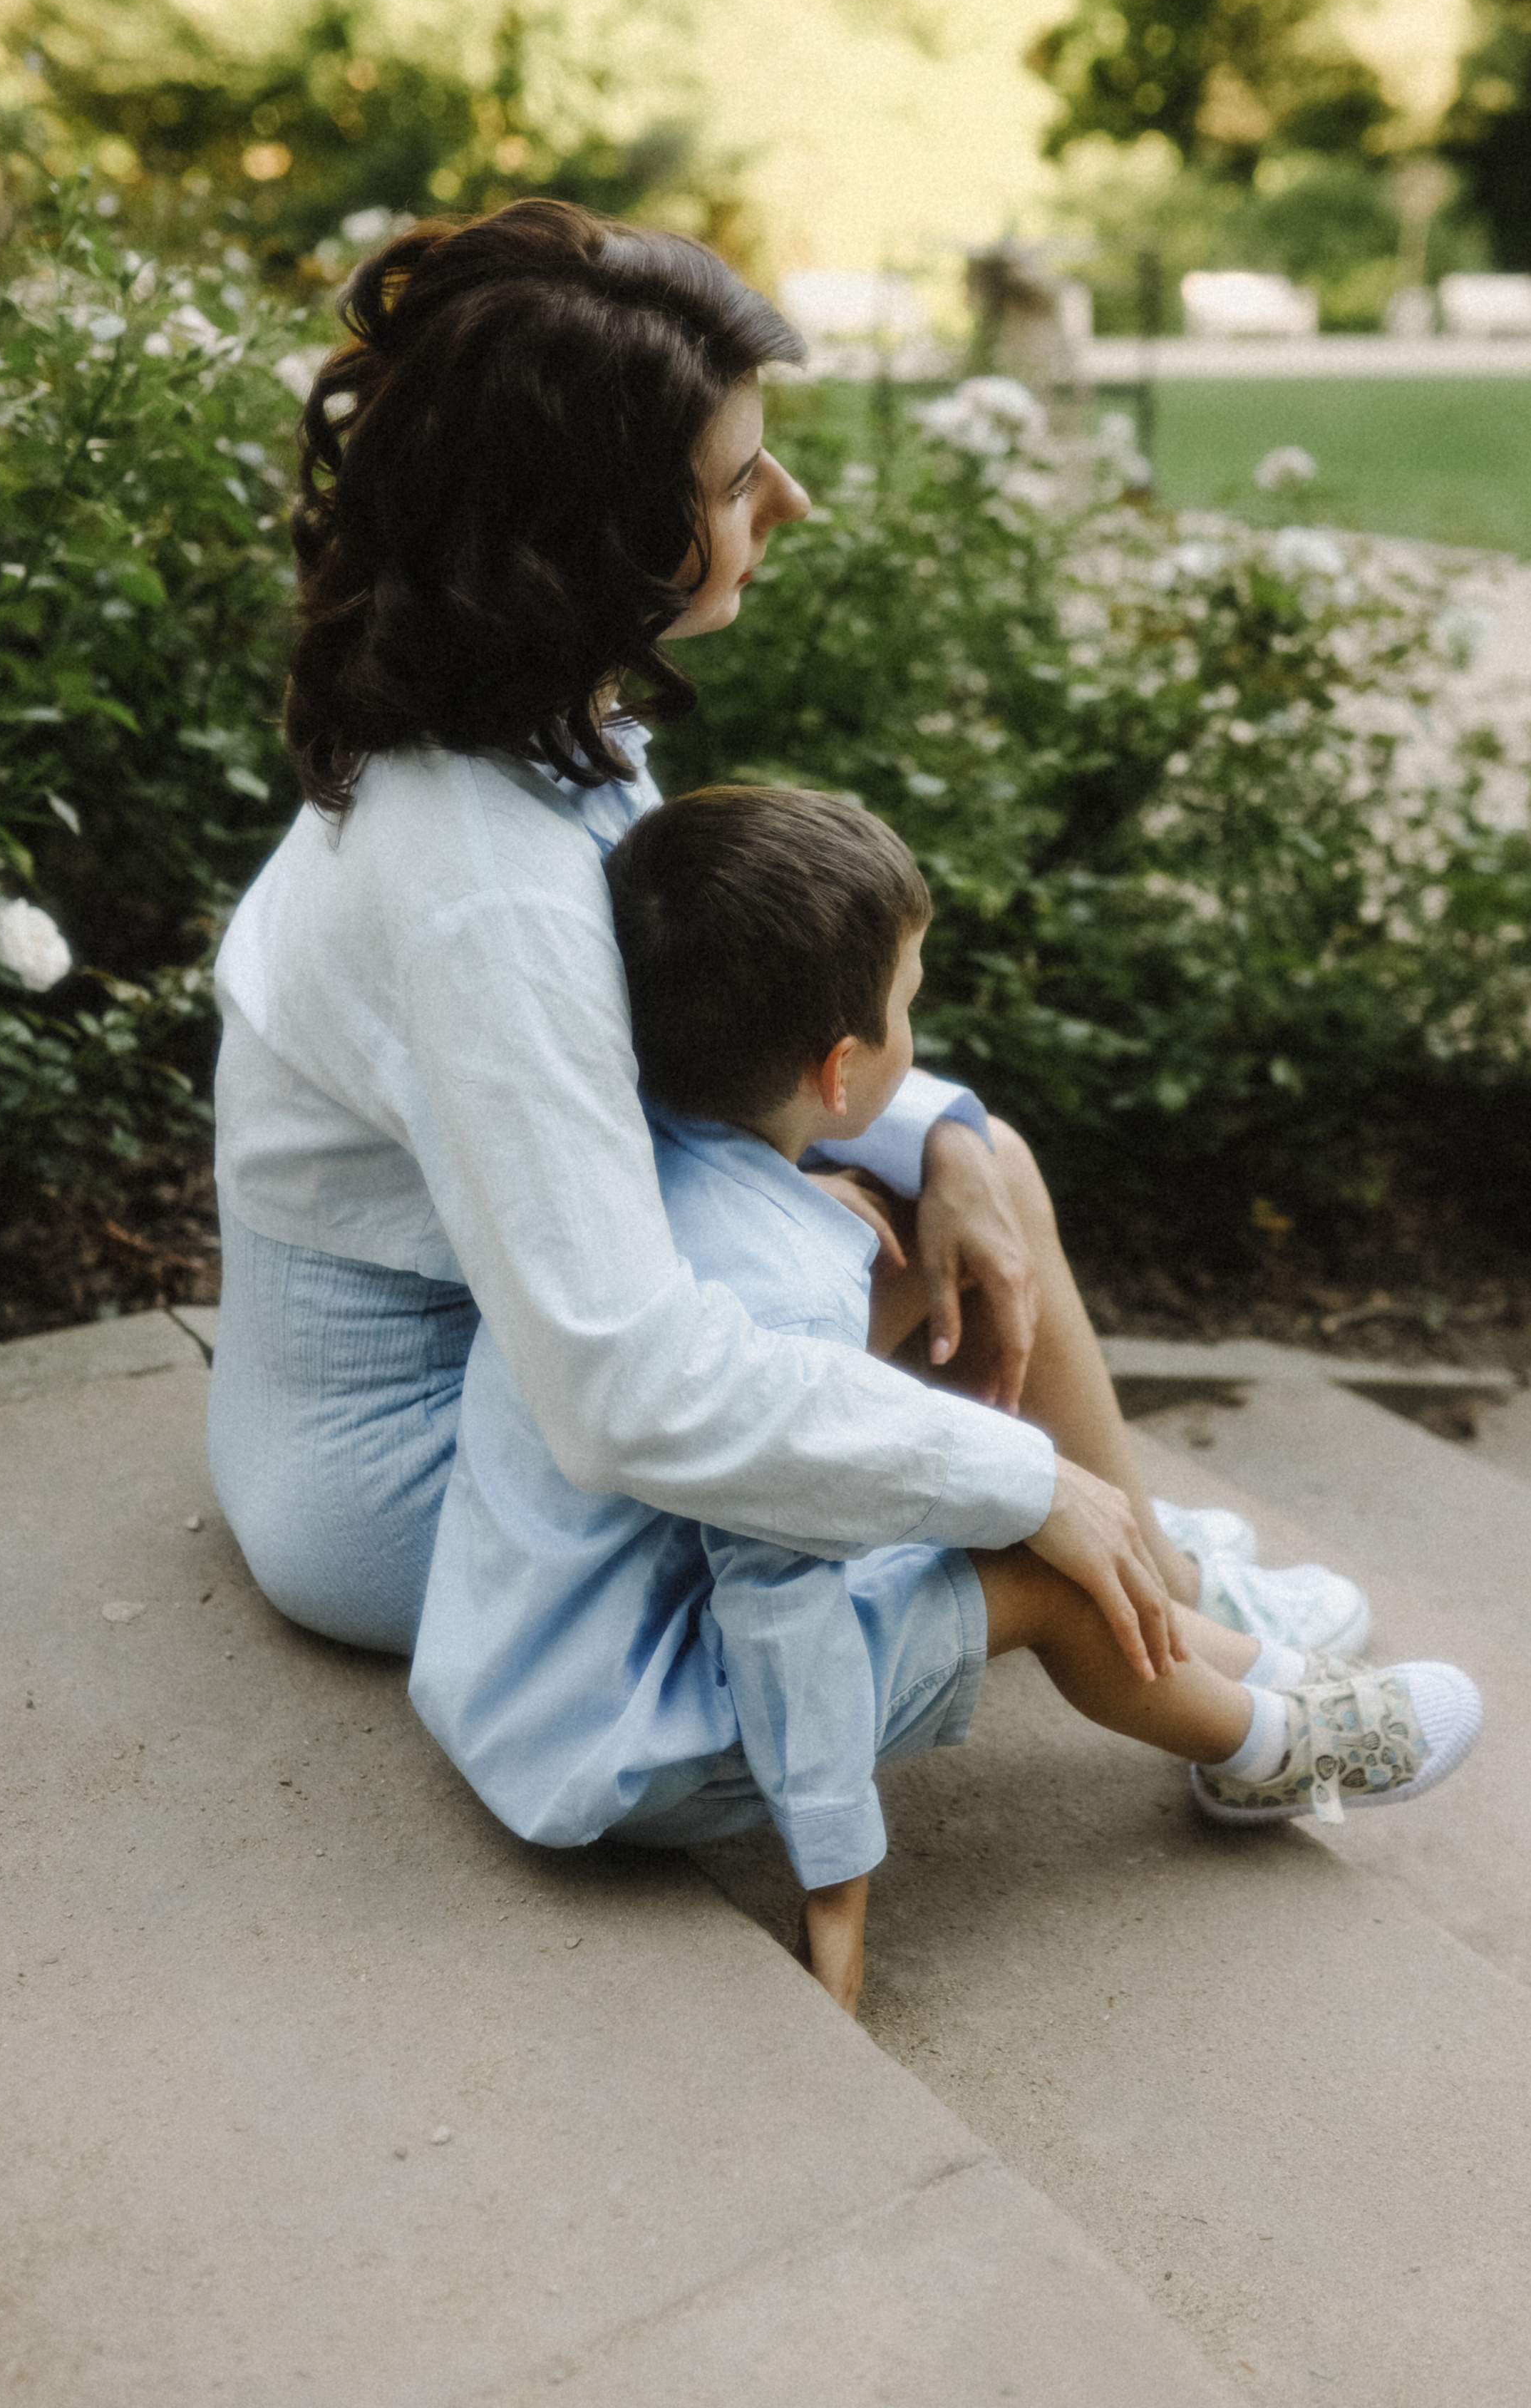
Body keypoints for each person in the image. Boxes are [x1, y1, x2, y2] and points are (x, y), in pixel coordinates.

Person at [205, 197, 1349, 1780]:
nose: (789, 503)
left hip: (504, 1353)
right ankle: (1170, 1625)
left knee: (979, 1172)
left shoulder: (520, 722)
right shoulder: (476, 884)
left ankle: (1149, 1561)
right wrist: (1014, 1487)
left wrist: (938, 1134)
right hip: (422, 1477)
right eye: (739, 482)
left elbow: (683, 1047)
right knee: (955, 1447)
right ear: (587, 541)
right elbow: (616, 1386)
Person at [412, 784, 1483, 2015]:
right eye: (911, 1008)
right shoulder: (786, 1301)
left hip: (515, 1669)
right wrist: (835, 1883)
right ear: (838, 1069)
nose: (920, 1033)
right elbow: (780, 1609)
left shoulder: (617, 1165)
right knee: (1048, 1571)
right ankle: (1262, 1749)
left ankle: (1257, 1661)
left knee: (976, 1488)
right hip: (631, 1751)